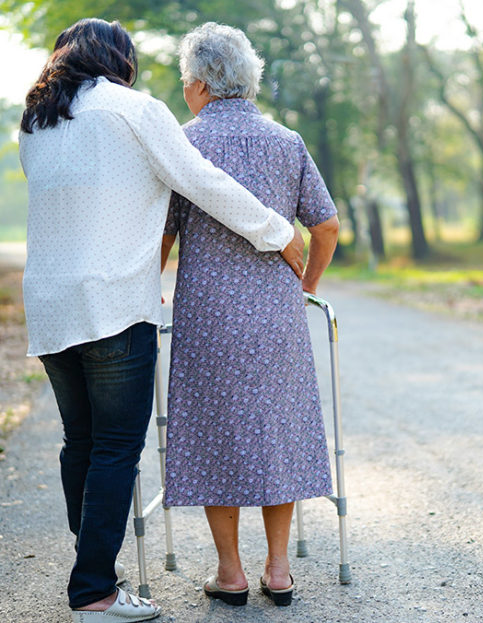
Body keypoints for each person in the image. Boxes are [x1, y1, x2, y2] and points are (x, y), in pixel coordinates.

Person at [19, 18, 304, 623]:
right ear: (119, 60)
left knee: (82, 443)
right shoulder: (134, 109)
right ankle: (94, 590)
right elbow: (201, 182)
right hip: (115, 303)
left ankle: (94, 569)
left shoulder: (36, 120)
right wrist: (278, 231)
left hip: (49, 304)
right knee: (117, 449)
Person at [160, 22, 340, 607]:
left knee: (217, 433)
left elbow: (161, 235)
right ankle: (280, 569)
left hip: (207, 316)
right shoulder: (287, 142)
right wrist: (306, 285)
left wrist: (151, 287)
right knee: (277, 431)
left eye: (187, 79)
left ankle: (231, 572)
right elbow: (327, 225)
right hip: (276, 317)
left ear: (203, 85)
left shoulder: (182, 144)